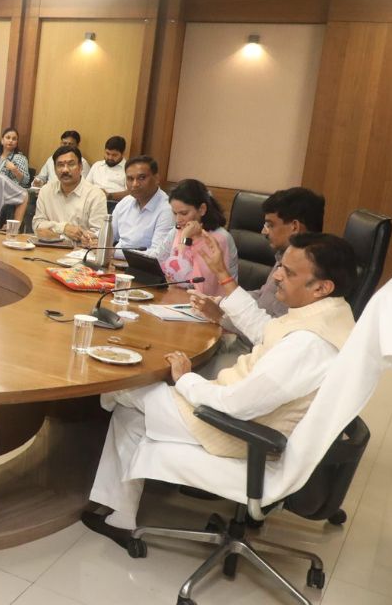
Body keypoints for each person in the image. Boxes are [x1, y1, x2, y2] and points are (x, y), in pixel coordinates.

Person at [83, 232, 357, 539]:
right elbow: (266, 330)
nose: (277, 276)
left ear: (321, 287)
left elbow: (237, 405)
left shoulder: (308, 344)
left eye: (289, 272)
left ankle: (88, 449)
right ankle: (120, 515)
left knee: (120, 387)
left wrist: (186, 380)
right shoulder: (330, 314)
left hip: (239, 428)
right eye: (281, 266)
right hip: (247, 414)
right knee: (129, 413)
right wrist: (222, 274)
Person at [191, 187, 326, 323]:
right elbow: (262, 295)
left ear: (294, 227)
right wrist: (222, 302)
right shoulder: (284, 254)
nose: (263, 232)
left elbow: (269, 328)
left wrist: (220, 317)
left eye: (270, 225)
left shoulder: (305, 269)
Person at [161, 178, 239, 296]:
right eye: (175, 213)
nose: (178, 220)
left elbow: (191, 283)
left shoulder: (219, 238)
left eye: (184, 213)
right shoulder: (178, 230)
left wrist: (185, 240)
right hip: (177, 296)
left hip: (210, 302)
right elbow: (159, 260)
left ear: (202, 209)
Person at [31, 145, 107, 245]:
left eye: (71, 164)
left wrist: (56, 235)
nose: (65, 170)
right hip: (47, 248)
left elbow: (97, 235)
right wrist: (64, 228)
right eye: (60, 165)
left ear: (81, 167)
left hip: (80, 252)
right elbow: (37, 225)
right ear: (54, 169)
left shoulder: (96, 195)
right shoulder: (46, 191)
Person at [110, 155, 174, 260]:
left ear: (157, 178)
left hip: (143, 267)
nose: (135, 184)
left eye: (142, 178)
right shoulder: (126, 201)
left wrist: (115, 252)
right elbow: (110, 233)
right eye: (130, 179)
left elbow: (157, 255)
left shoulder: (167, 210)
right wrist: (93, 238)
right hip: (114, 261)